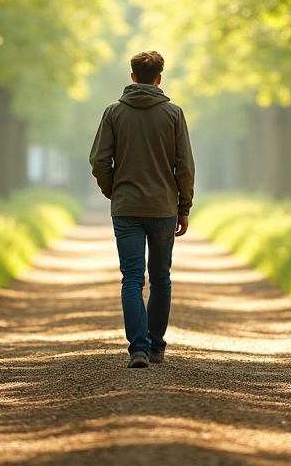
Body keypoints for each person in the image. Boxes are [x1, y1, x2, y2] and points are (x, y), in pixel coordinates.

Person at [89, 51, 195, 369]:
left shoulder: (113, 113)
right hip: (164, 208)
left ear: (132, 77)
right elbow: (185, 167)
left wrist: (113, 191)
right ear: (159, 78)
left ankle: (138, 347)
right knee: (161, 276)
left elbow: (98, 162)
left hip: (126, 208)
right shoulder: (174, 114)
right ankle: (157, 346)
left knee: (132, 277)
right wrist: (184, 207)